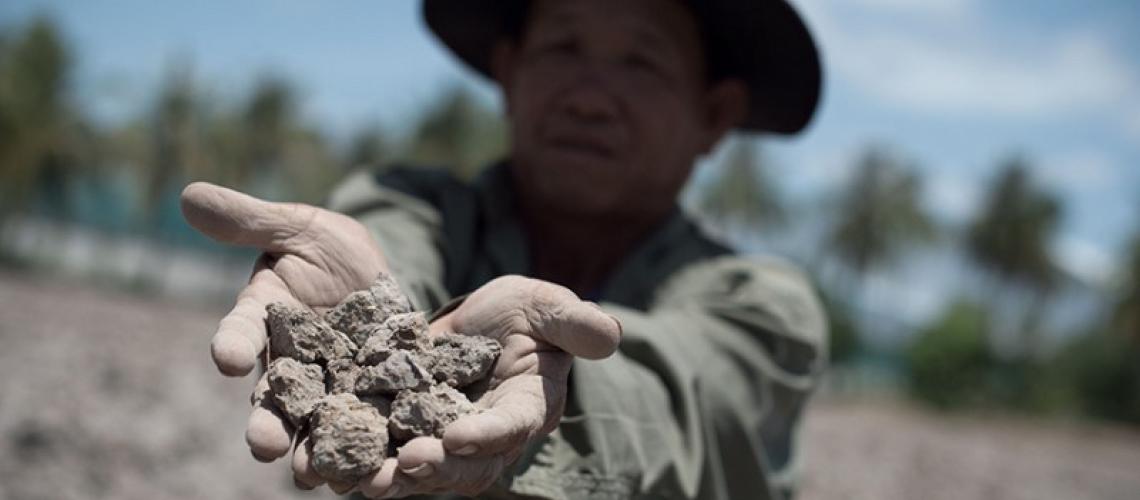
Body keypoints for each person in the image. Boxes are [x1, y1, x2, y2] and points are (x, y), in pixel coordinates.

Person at [179, 0, 828, 498]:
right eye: (563, 46)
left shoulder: (764, 310)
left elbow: (679, 400)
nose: (589, 97)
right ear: (511, 71)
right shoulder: (417, 205)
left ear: (714, 114)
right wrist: (375, 309)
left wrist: (551, 386)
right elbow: (390, 245)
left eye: (641, 63)